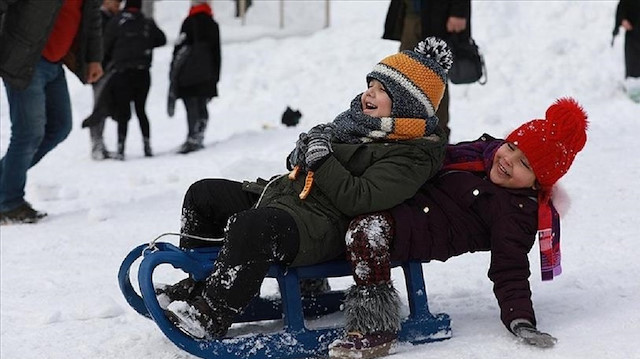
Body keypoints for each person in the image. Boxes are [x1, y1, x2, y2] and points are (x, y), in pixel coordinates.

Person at [161, 37, 453, 340]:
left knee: (252, 227)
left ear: (406, 105)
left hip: (321, 227)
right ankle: (202, 282)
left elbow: (361, 199)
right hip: (290, 199)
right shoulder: (355, 124)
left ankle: (211, 313)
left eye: (382, 90)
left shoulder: (412, 155)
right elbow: (308, 161)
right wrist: (302, 153)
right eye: (371, 84)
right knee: (204, 195)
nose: (369, 92)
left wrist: (322, 158)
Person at [328, 98, 589, 358]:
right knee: (333, 202)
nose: (509, 159)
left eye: (525, 164)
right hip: (405, 198)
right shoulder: (480, 155)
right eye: (511, 147)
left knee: (366, 231)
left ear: (537, 182)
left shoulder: (515, 213)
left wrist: (520, 319)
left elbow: (510, 268)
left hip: (418, 230)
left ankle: (377, 329)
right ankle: (309, 286)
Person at [0, 0, 104, 225]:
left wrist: (94, 57)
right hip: (25, 60)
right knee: (28, 133)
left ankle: (5, 185)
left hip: (54, 61)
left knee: (59, 126)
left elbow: (92, 15)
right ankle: (9, 203)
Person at [383, 0, 471, 141]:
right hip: (411, 13)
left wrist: (458, 10)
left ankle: (437, 134)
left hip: (438, 16)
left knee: (434, 76)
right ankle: (406, 131)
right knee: (405, 74)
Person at [103, 0, 166, 160]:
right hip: (142, 73)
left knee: (123, 112)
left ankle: (121, 148)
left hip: (122, 73)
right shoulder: (146, 22)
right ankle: (147, 145)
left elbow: (106, 46)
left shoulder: (116, 22)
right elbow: (161, 40)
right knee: (141, 110)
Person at [168, 0, 221, 154]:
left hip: (188, 75)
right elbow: (216, 53)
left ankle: (192, 138)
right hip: (206, 74)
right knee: (202, 105)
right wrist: (215, 77)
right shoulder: (212, 23)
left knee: (191, 107)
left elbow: (179, 49)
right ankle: (199, 135)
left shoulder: (188, 22)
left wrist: (174, 73)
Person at [86, 0, 123, 160]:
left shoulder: (116, 18)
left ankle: (100, 144)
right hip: (101, 70)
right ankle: (97, 145)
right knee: (99, 108)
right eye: (115, 2)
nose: (118, 5)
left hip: (113, 69)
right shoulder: (99, 18)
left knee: (105, 108)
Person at [613, 0, 640, 103]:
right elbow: (622, 6)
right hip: (633, 33)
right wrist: (622, 20)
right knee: (633, 63)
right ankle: (634, 90)